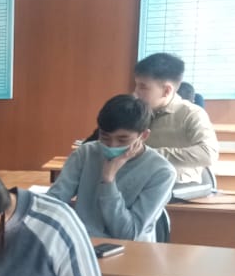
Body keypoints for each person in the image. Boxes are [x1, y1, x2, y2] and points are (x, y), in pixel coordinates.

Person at [47, 95, 176, 241]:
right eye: (105, 137)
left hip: (129, 248)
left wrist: (108, 181)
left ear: (144, 135)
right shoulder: (86, 153)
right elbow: (55, 200)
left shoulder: (162, 172)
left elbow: (129, 234)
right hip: (81, 240)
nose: (112, 145)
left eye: (122, 139)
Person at [133, 53, 218, 184]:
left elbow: (208, 154)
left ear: (166, 90)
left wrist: (149, 154)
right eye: (136, 85)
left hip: (178, 187)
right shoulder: (138, 110)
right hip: (141, 183)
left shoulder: (192, 114)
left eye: (143, 87)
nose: (136, 92)